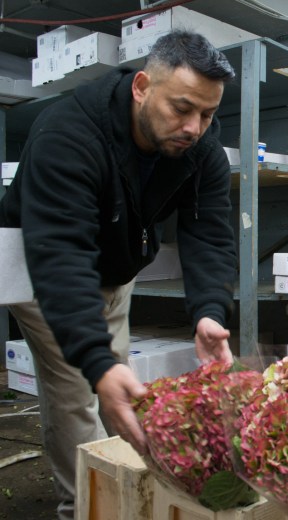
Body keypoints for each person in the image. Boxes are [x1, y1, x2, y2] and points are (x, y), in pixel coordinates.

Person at [0, 30, 238, 519]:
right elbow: (61, 255)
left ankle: (126, 488)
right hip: (42, 265)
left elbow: (208, 233)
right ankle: (85, 506)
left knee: (117, 381)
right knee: (77, 389)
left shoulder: (200, 148)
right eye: (182, 108)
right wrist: (94, 359)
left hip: (114, 266)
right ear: (141, 87)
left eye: (208, 114)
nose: (194, 127)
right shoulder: (67, 134)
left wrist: (209, 311)